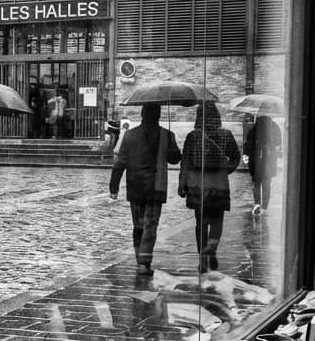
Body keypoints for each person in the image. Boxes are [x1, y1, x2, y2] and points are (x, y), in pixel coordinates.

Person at [108, 102, 182, 274]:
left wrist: (114, 187)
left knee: (138, 225)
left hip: (135, 186)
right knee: (151, 225)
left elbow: (120, 163)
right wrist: (172, 143)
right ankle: (144, 261)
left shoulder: (130, 135)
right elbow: (175, 159)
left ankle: (139, 257)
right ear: (158, 115)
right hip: (156, 187)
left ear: (142, 114)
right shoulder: (166, 134)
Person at [178, 101, 241, 273]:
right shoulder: (226, 135)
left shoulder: (193, 137)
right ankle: (211, 248)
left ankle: (202, 258)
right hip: (219, 183)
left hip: (198, 184)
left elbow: (185, 162)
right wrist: (225, 170)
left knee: (201, 223)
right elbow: (236, 158)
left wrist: (182, 184)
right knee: (217, 221)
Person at [243, 114, 282, 217]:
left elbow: (248, 145)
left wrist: (246, 154)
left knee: (256, 183)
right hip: (269, 160)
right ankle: (265, 206)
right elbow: (278, 143)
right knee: (266, 184)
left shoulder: (254, 128)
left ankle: (257, 203)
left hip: (256, 161)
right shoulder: (275, 127)